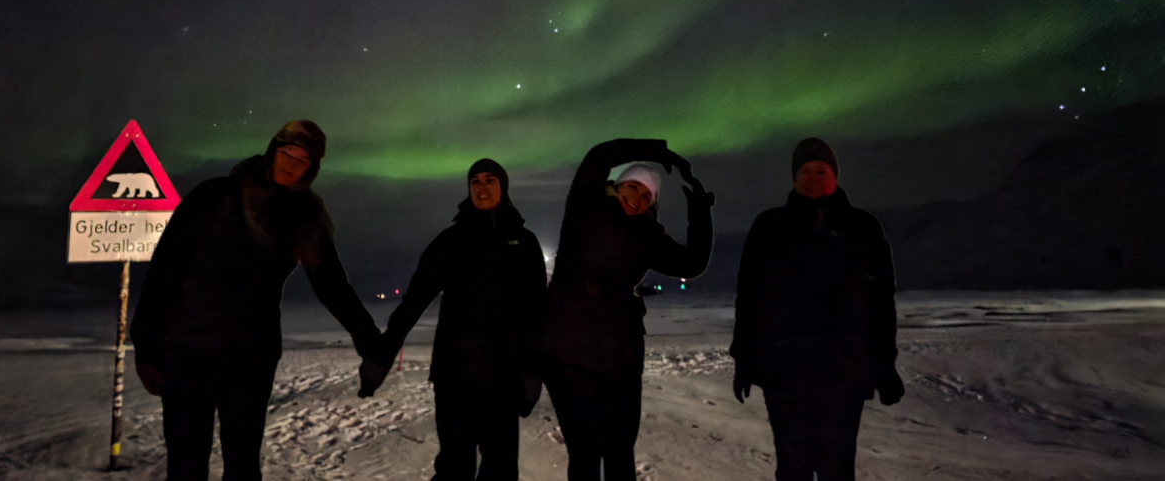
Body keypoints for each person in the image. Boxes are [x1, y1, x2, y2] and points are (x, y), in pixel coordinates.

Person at [130, 120, 387, 481]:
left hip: (250, 354)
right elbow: (164, 267)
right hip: (187, 348)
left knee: (243, 462)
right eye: (287, 152)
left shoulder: (305, 215)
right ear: (272, 150)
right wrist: (145, 345)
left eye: (304, 159)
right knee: (186, 463)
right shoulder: (213, 195)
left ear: (312, 168)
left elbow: (331, 284)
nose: (293, 163)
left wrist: (370, 342)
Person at [539, 139, 715, 481]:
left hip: (619, 355)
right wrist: (656, 150)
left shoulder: (648, 235)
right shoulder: (585, 207)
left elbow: (692, 263)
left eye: (647, 195)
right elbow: (598, 156)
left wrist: (700, 215)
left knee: (620, 452)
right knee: (585, 454)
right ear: (617, 185)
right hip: (568, 353)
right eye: (632, 186)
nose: (637, 197)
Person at [730, 138, 904, 481]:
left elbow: (881, 303)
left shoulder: (863, 227)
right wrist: (744, 360)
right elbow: (749, 298)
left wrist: (886, 366)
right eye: (805, 170)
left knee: (837, 467)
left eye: (821, 170)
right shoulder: (769, 226)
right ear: (794, 176)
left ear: (835, 174)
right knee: (792, 467)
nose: (812, 177)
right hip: (785, 370)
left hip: (845, 370)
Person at [379, 158, 548, 481]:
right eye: (475, 182)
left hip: (504, 376)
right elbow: (416, 297)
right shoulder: (451, 241)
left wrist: (533, 372)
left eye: (490, 180)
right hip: (455, 376)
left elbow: (537, 311)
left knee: (500, 467)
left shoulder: (525, 243)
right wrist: (384, 349)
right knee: (455, 466)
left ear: (504, 188)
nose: (482, 188)